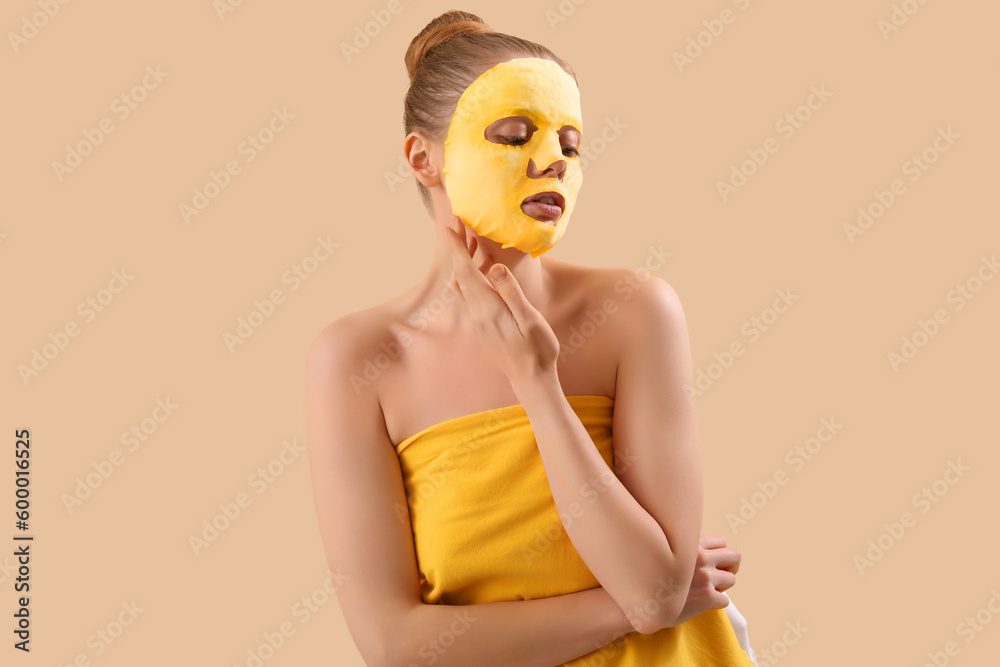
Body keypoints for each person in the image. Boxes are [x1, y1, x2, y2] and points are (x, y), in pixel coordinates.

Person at [305, 10, 758, 666]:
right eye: (515, 136)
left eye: (570, 145)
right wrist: (634, 603)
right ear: (422, 158)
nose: (553, 162)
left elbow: (656, 594)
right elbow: (396, 646)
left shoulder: (636, 311)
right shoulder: (356, 360)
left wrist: (537, 383)